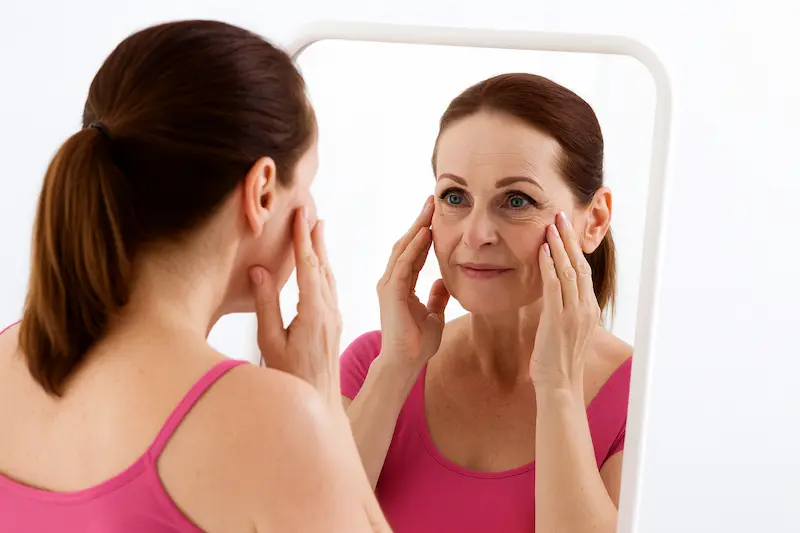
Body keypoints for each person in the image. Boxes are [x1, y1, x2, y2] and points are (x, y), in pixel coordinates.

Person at [0, 20, 392, 533]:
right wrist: (321, 402)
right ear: (264, 192)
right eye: (309, 182)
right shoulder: (273, 422)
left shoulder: (10, 355)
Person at [341, 73, 632, 533]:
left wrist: (558, 387)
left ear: (592, 220)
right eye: (454, 197)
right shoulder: (372, 366)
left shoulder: (642, 398)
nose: (476, 235)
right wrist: (395, 370)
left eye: (516, 200)